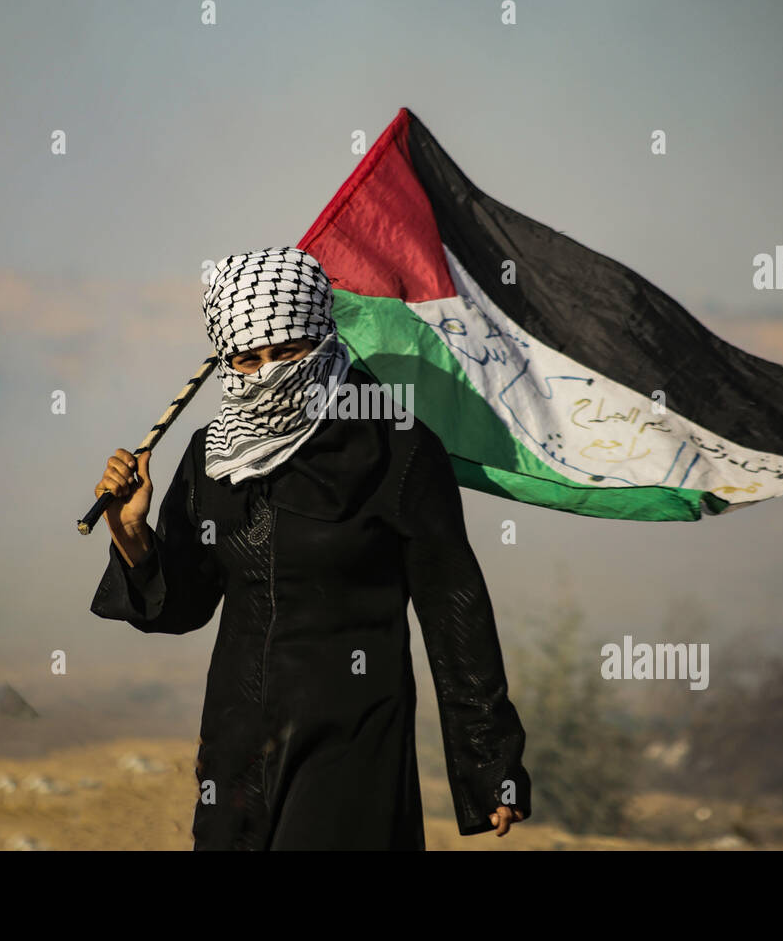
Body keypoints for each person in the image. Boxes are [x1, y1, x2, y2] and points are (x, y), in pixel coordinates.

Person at [89, 246, 530, 850]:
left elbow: (455, 613)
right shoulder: (211, 458)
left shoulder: (396, 450)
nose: (268, 371)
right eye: (247, 357)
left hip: (353, 740)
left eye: (288, 351)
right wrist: (131, 532)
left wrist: (490, 765)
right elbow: (184, 607)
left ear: (323, 339)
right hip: (238, 746)